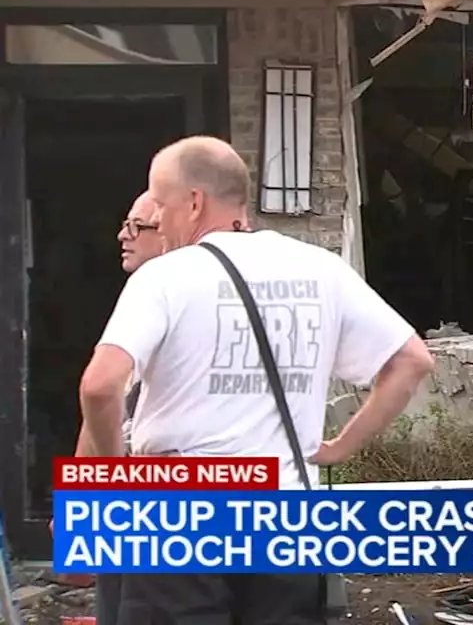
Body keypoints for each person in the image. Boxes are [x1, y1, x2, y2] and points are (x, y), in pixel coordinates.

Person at [77, 136, 435, 624]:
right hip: (286, 511)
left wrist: (118, 478)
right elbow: (412, 360)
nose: (156, 219)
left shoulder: (164, 277)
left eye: (159, 204)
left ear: (195, 202)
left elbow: (100, 386)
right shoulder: (320, 268)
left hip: (178, 509)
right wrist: (339, 448)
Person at [67, 192, 167, 625]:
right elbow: (105, 399)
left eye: (137, 226)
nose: (122, 236)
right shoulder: (141, 294)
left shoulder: (163, 291)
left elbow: (101, 390)